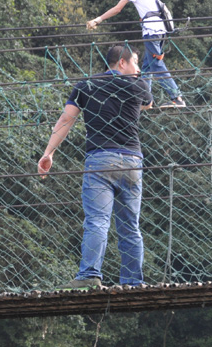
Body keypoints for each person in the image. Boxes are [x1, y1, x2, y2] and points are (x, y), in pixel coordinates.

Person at [38, 45, 153, 289]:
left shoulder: (86, 86)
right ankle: (133, 281)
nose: (138, 68)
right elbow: (148, 104)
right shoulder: (139, 86)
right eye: (134, 62)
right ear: (121, 63)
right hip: (132, 161)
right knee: (130, 225)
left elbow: (66, 120)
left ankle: (90, 274)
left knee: (97, 221)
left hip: (99, 161)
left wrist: (49, 152)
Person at [86, 0, 186, 108]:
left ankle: (177, 98)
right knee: (147, 66)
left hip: (152, 30)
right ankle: (146, 100)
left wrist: (98, 19)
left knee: (156, 64)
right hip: (161, 29)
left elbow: (118, 8)